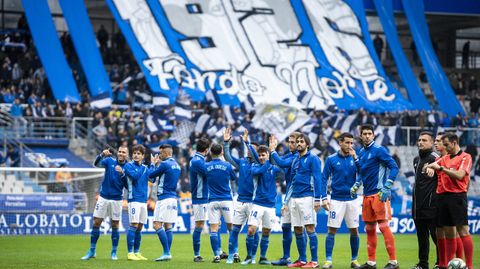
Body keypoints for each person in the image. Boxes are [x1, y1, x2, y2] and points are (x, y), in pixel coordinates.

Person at [350, 124, 399, 269]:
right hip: (366, 195)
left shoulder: (379, 150)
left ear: (373, 135)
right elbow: (362, 173)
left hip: (379, 194)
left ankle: (393, 262)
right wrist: (356, 184)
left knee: (383, 226)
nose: (366, 136)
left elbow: (394, 167)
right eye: (364, 133)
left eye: (369, 133)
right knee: (370, 228)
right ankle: (371, 262)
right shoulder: (361, 153)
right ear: (360, 135)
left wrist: (388, 185)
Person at [271, 133, 322, 268]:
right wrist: (285, 202)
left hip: (307, 197)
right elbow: (292, 183)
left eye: (301, 141)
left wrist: (318, 199)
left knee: (310, 228)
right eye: (297, 141)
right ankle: (303, 260)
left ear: (307, 144)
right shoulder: (295, 160)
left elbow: (318, 178)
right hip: (294, 198)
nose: (299, 143)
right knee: (298, 229)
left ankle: (314, 261)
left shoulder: (313, 158)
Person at [425, 133, 474, 269]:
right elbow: (430, 166)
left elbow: (460, 175)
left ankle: (469, 266)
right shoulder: (445, 158)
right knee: (448, 233)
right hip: (442, 197)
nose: (445, 147)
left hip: (457, 197)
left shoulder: (465, 157)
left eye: (446, 144)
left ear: (454, 142)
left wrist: (441, 168)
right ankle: (446, 265)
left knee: (463, 231)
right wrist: (428, 167)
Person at [320, 133, 361, 269]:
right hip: (336, 200)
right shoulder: (331, 159)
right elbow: (323, 178)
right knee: (331, 230)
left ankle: (354, 260)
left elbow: (363, 174)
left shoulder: (355, 158)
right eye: (347, 143)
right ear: (340, 143)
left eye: (351, 143)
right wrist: (324, 197)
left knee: (354, 230)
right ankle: (328, 260)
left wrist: (356, 159)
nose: (350, 146)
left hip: (352, 200)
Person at [81, 146, 128, 260]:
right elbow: (96, 164)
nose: (121, 153)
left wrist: (122, 174)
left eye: (124, 152)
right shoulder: (109, 161)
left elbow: (128, 186)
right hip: (103, 197)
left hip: (117, 199)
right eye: (120, 151)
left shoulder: (128, 167)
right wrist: (102, 154)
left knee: (115, 225)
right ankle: (92, 251)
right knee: (96, 222)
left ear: (126, 154)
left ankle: (113, 253)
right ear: (117, 153)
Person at [223, 128, 258, 264]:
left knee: (253, 231)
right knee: (234, 230)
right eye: (250, 149)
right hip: (240, 201)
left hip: (254, 202)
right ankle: (231, 255)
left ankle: (252, 257)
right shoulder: (242, 162)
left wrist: (247, 142)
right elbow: (228, 157)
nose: (250, 151)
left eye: (253, 149)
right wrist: (226, 143)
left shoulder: (259, 163)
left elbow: (255, 156)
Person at [242, 145, 281, 265]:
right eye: (259, 155)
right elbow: (260, 171)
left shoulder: (274, 168)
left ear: (267, 155)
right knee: (251, 230)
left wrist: (272, 155)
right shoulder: (255, 167)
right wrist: (267, 162)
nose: (261, 157)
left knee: (266, 232)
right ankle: (249, 257)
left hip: (270, 205)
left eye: (263, 155)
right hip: (258, 203)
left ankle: (262, 257)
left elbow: (282, 167)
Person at [121, 145, 157, 260]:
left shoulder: (145, 168)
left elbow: (153, 179)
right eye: (134, 153)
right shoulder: (128, 166)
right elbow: (135, 177)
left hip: (143, 201)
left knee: (140, 226)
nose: (136, 155)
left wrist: (153, 165)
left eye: (138, 154)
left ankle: (136, 252)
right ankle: (130, 253)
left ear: (143, 156)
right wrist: (145, 167)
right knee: (134, 225)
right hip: (133, 199)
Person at [271, 132, 300, 266]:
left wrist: (273, 150)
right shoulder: (289, 155)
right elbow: (276, 161)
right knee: (285, 227)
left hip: (299, 195)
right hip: (288, 196)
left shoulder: (297, 156)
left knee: (301, 228)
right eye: (290, 141)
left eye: (293, 142)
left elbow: (281, 162)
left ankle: (303, 258)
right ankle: (286, 257)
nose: (291, 144)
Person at [411, 132, 440, 269]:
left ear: (432, 143)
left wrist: (435, 170)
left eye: (424, 140)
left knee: (436, 236)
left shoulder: (436, 158)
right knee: (422, 238)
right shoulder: (416, 159)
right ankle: (423, 264)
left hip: (431, 206)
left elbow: (443, 176)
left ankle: (441, 263)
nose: (420, 142)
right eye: (419, 140)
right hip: (417, 206)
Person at [205, 143, 237, 263]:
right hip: (226, 200)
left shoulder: (206, 166)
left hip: (212, 200)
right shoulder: (227, 165)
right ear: (221, 152)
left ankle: (216, 255)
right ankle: (234, 253)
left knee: (213, 229)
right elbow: (233, 178)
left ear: (210, 152)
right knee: (231, 228)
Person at [149, 144, 181, 262]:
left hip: (164, 198)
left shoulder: (165, 164)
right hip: (173, 198)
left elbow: (150, 175)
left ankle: (166, 252)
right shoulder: (177, 165)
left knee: (157, 225)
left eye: (161, 153)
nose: (159, 155)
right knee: (168, 226)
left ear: (167, 153)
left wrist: (153, 163)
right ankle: (167, 252)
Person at [189, 138, 211, 262]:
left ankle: (218, 251)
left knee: (212, 224)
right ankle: (196, 255)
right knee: (199, 225)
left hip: (203, 197)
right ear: (206, 150)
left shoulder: (198, 160)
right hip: (200, 197)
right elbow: (210, 173)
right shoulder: (198, 161)